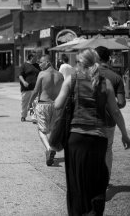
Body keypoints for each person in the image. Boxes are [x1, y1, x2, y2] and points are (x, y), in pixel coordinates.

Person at [54, 48, 130, 215]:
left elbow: (58, 105)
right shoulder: (106, 82)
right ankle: (94, 212)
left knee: (76, 183)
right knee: (97, 181)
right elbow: (116, 111)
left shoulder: (71, 78)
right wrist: (124, 134)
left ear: (79, 62)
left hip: (76, 138)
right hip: (98, 139)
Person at [95, 46, 126, 180]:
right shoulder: (116, 77)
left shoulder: (85, 74)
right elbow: (121, 103)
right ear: (109, 59)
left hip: (88, 121)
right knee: (107, 149)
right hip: (108, 121)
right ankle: (104, 181)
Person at [27, 55, 64, 166]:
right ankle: (51, 147)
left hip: (43, 104)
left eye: (41, 62)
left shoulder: (42, 74)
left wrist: (30, 103)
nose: (39, 64)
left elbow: (35, 91)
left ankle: (49, 148)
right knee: (52, 129)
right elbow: (64, 91)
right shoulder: (60, 75)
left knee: (42, 130)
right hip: (56, 105)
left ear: (47, 62)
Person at [18, 53, 40, 122]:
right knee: (25, 103)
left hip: (35, 88)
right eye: (35, 57)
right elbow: (20, 75)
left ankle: (33, 117)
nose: (37, 58)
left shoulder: (37, 65)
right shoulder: (24, 65)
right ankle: (23, 116)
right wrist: (24, 82)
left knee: (35, 103)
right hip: (26, 88)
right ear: (31, 57)